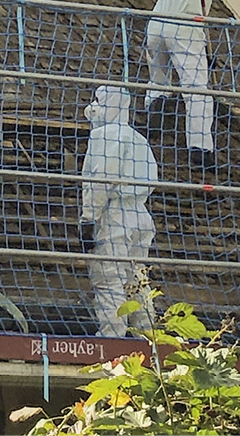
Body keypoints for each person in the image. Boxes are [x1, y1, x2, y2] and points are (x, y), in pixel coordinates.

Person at [79, 85, 158, 338]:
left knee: (109, 277)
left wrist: (88, 218)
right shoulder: (138, 139)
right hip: (141, 215)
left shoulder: (105, 136)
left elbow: (101, 179)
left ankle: (111, 336)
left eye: (99, 102)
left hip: (115, 216)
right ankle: (147, 336)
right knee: (136, 279)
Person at [144, 0, 226, 170]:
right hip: (184, 28)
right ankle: (201, 149)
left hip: (157, 25)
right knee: (197, 90)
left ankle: (153, 118)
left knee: (159, 80)